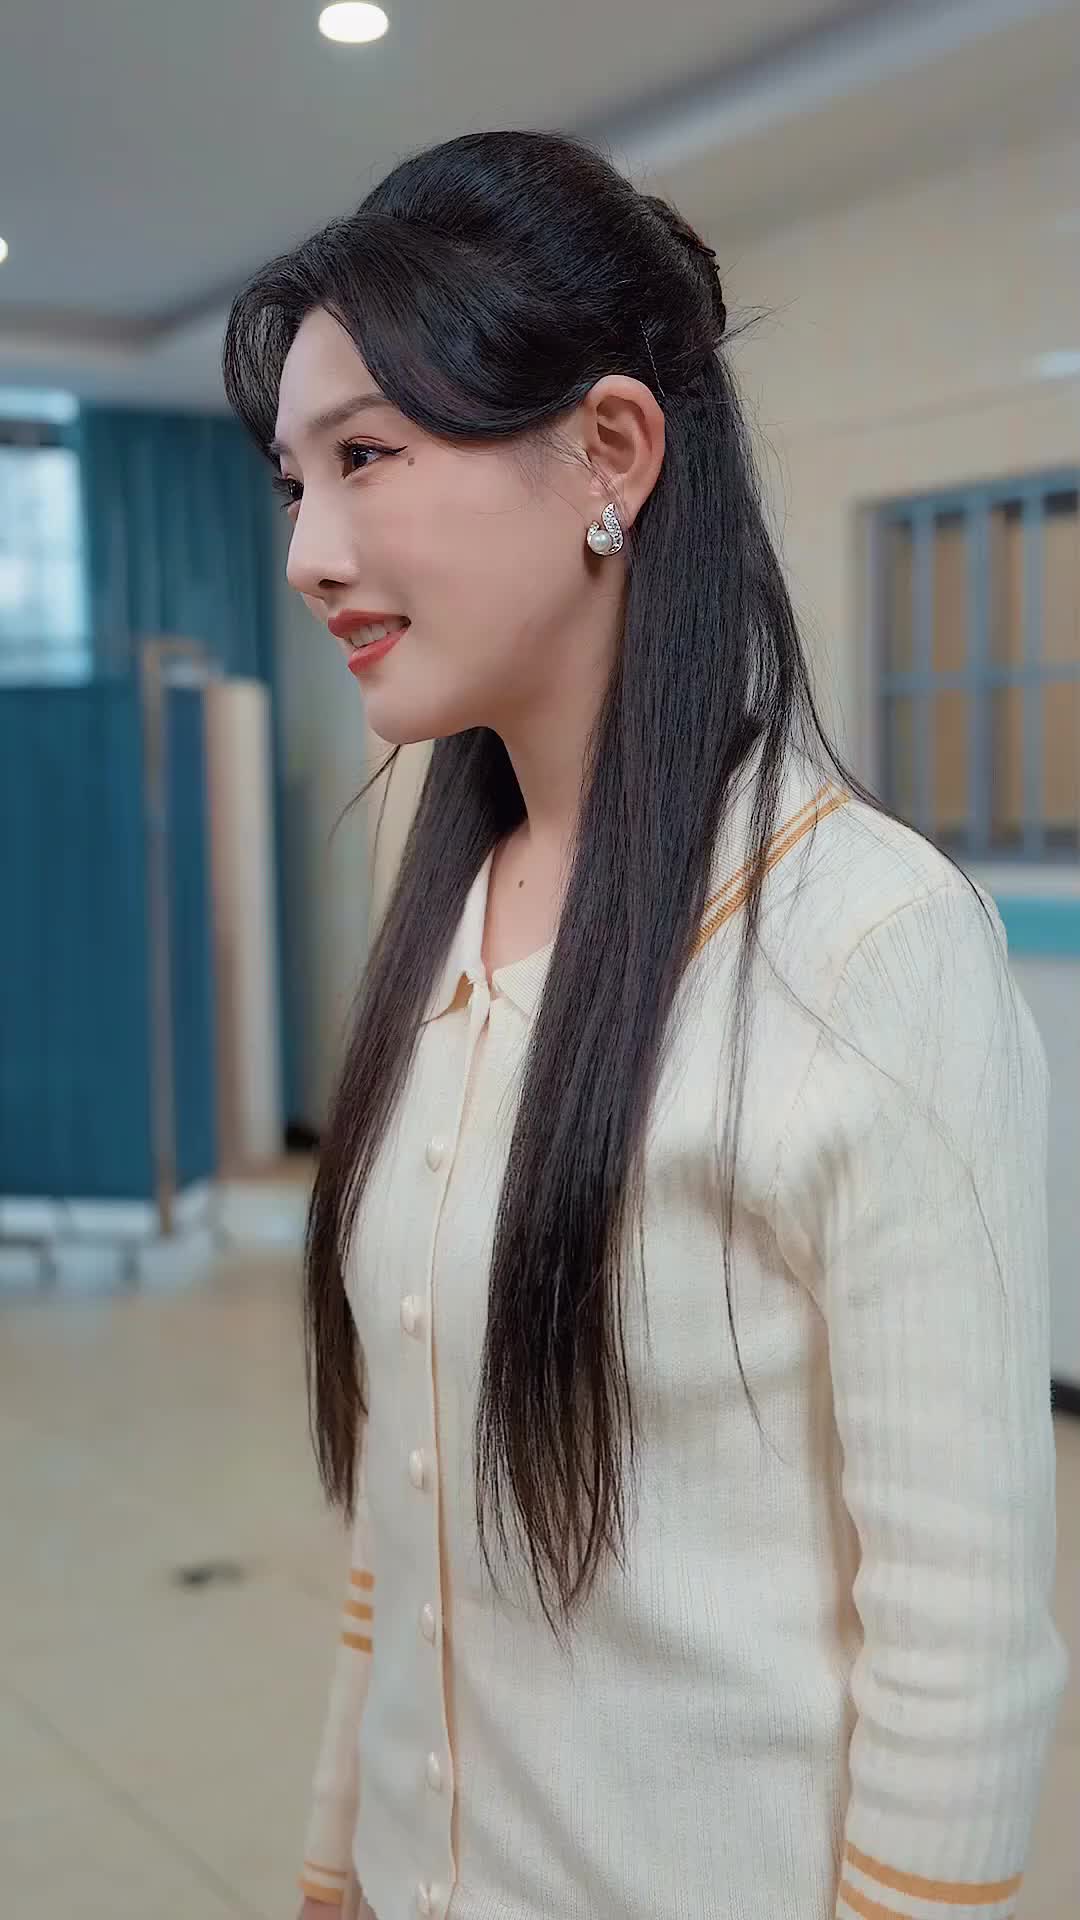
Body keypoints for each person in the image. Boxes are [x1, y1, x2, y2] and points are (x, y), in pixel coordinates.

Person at [223, 130, 1066, 1920]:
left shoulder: (870, 943)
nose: (309, 551)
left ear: (610, 451)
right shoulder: (443, 903)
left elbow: (963, 1647)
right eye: (292, 481)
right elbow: (409, 1520)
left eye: (365, 456)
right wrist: (333, 1862)